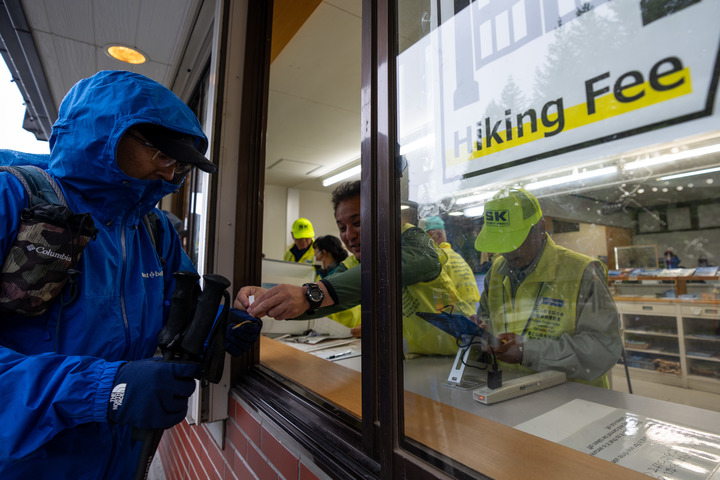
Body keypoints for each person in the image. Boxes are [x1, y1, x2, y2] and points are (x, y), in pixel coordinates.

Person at [0, 71, 260, 479]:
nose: (171, 175)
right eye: (164, 156)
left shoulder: (154, 230)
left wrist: (213, 326)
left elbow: (173, 310)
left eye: (180, 165)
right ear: (106, 134)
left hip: (120, 459)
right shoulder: (14, 200)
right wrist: (104, 389)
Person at [235, 181, 475, 355]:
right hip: (417, 359)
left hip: (465, 356)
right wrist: (269, 300)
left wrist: (311, 294)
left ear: (384, 216)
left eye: (358, 223)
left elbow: (398, 267)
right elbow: (324, 299)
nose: (349, 236)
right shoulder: (355, 264)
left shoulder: (412, 241)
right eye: (342, 227)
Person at [474, 188, 621, 388]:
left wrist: (527, 351)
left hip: (573, 396)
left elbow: (602, 348)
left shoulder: (582, 272)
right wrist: (482, 330)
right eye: (501, 242)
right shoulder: (496, 271)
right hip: (509, 390)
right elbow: (489, 318)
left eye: (515, 241)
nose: (507, 251)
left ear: (541, 229)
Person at [422, 215, 481, 309]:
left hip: (455, 311)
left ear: (438, 235)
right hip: (470, 309)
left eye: (424, 237)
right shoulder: (457, 256)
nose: (421, 242)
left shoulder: (438, 258)